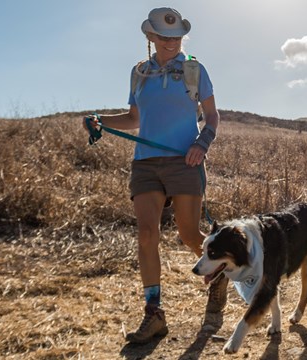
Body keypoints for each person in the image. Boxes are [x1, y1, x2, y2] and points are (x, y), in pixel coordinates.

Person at [83, 7, 228, 344]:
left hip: (185, 162)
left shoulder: (193, 69)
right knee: (147, 235)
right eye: (163, 36)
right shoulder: (139, 74)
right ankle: (154, 313)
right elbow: (134, 117)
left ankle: (219, 271)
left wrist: (202, 143)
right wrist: (100, 120)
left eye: (175, 36)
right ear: (150, 36)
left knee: (190, 235)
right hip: (145, 163)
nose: (170, 41)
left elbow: (212, 116)